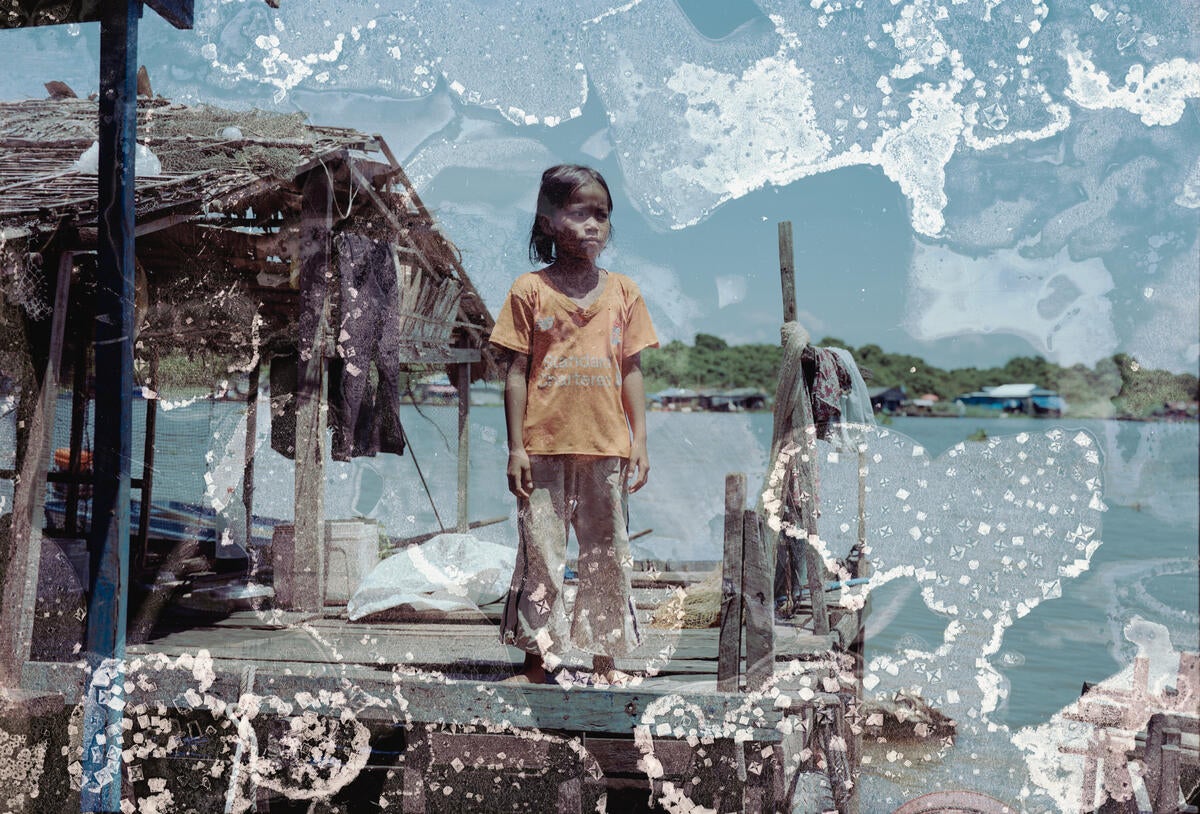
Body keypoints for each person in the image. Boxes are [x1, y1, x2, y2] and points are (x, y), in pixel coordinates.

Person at [490, 164, 658, 686]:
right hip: (542, 447)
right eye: (578, 212)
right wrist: (516, 447)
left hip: (606, 446)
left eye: (601, 215)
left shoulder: (624, 292)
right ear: (546, 222)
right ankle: (538, 661)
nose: (592, 224)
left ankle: (606, 661)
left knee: (607, 553)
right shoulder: (529, 290)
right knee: (541, 553)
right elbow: (515, 373)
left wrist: (640, 441)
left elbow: (631, 369)